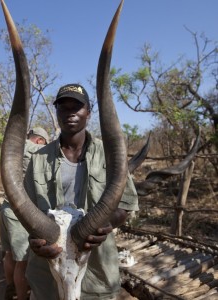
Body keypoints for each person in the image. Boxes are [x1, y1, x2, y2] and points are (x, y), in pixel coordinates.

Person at [21, 83, 139, 300]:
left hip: (97, 270)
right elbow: (25, 209)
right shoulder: (38, 159)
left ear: (88, 112)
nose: (70, 112)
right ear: (56, 113)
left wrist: (103, 226)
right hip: (49, 269)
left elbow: (126, 204)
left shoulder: (110, 154)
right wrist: (36, 240)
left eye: (77, 106)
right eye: (63, 107)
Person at [0, 127, 49, 300]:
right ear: (40, 140)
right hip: (17, 212)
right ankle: (21, 297)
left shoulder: (13, 147)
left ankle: (9, 287)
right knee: (23, 261)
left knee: (9, 254)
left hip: (5, 207)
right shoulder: (36, 150)